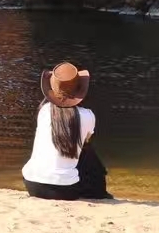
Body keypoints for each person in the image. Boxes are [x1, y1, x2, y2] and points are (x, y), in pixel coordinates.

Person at [21, 62, 112, 200]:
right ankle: (100, 193)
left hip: (32, 185)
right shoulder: (88, 116)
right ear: (80, 90)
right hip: (65, 190)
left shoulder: (43, 111)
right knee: (87, 151)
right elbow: (86, 145)